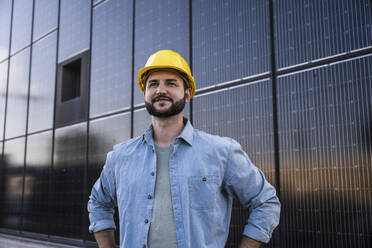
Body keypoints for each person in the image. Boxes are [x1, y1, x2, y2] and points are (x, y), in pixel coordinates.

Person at [88, 50, 280, 248]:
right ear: (145, 94)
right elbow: (98, 202)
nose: (160, 90)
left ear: (187, 94)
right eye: (153, 84)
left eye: (171, 83)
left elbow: (265, 202)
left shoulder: (222, 152)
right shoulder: (120, 157)